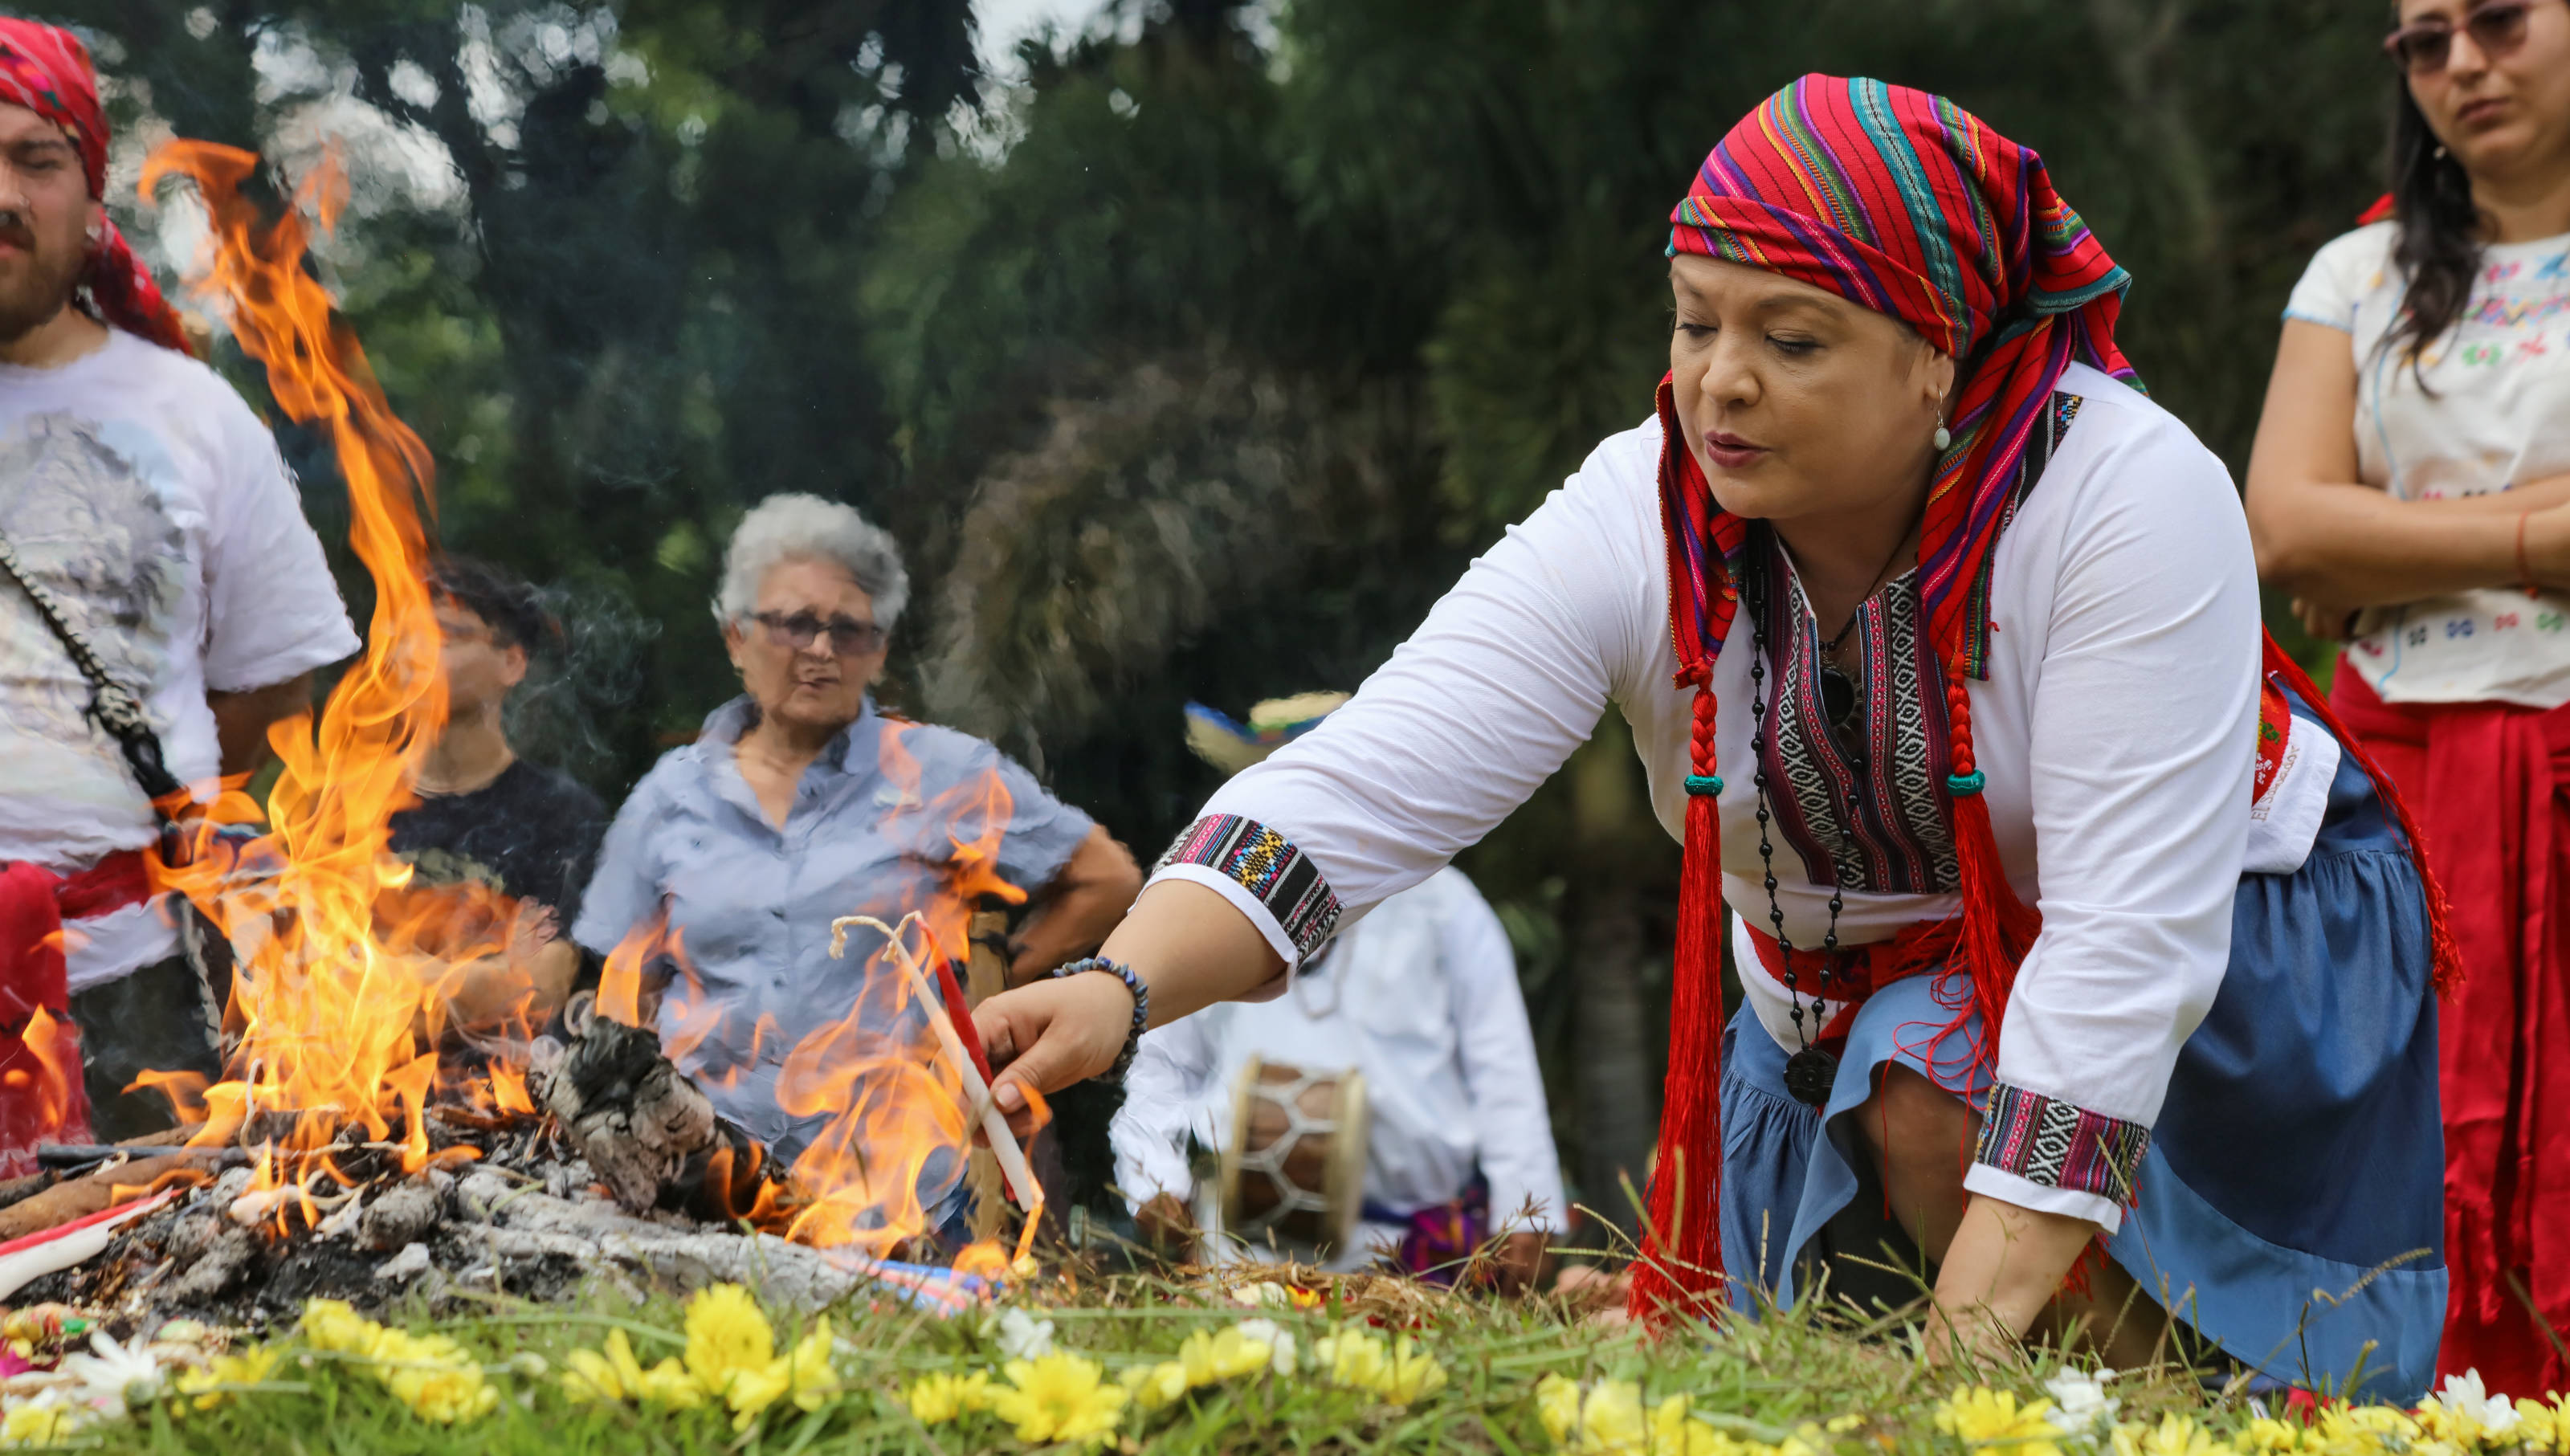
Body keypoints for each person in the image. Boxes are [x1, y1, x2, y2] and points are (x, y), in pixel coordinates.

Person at [977, 75, 2452, 1396]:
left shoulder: (2127, 496)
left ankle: (2159, 1424)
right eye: (1694, 320)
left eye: (1789, 336)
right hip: (1834, 998)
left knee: (1932, 1098)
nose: (1719, 380)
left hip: (2210, 956)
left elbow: (2130, 948)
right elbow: (1379, 769)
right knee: (1864, 1176)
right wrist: (1119, 983)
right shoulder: (1643, 511)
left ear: (1938, 352)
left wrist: (1951, 1389)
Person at [2246, 0, 2570, 1397]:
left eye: (2499, 21)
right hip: (2395, 784)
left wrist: (2394, 541)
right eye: (2426, 44)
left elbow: (2345, 528)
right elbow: (2285, 527)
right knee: (2398, 1123)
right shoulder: (2357, 279)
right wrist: (2538, 531)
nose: (2463, 67)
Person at [573, 492, 1144, 1213]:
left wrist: (996, 1004)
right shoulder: (670, 795)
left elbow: (1106, 879)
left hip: (892, 1196)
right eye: (794, 624)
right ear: (737, 637)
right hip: (701, 1191)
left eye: (848, 630)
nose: (820, 650)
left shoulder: (943, 774)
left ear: (876, 650)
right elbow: (620, 989)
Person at [0, 18, 358, 1156]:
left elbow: (263, 703)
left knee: (137, 1327)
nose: (3, 192)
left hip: (134, 995)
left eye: (36, 159)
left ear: (90, 194)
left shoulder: (197, 419)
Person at [1111, 693, 1564, 1288]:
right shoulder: (1208, 904)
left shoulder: (1444, 902)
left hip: (1413, 1257)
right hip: (1247, 1258)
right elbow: (1161, 1058)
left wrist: (1525, 1208)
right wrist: (1154, 1180)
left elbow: (1500, 1066)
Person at [383, 555, 606, 1034]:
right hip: (354, 1099)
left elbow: (539, 989)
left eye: (448, 635)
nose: (419, 651)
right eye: (407, 634)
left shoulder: (563, 814)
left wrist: (392, 982)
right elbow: (308, 978)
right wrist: (479, 982)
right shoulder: (343, 807)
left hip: (501, 1100)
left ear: (512, 662)